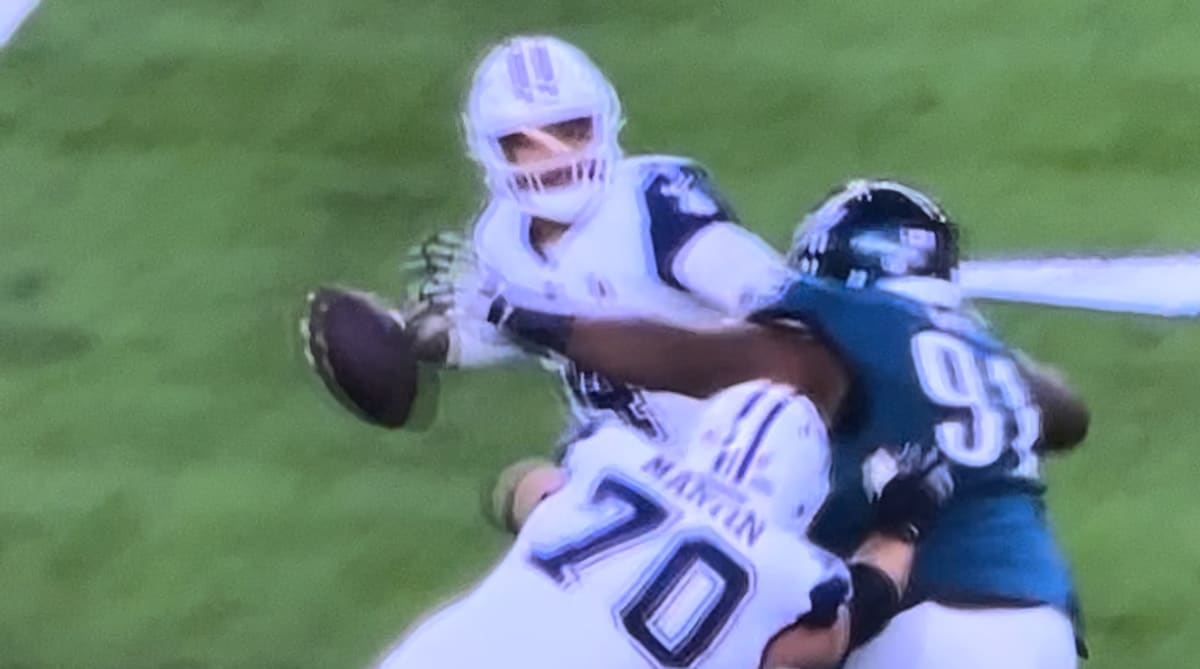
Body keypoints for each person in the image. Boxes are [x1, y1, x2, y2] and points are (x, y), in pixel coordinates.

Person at [481, 178, 1089, 668]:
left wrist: (531, 322)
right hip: (1042, 621)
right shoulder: (984, 354)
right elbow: (1067, 415)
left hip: (927, 618)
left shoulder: (854, 326)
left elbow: (691, 359)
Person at [371, 380, 950, 669]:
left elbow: (523, 486)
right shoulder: (789, 573)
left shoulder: (611, 459)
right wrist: (903, 525)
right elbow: (854, 615)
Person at [400, 34, 790, 448]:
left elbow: (784, 306)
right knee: (543, 478)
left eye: (571, 131)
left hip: (734, 455)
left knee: (541, 479)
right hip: (628, 460)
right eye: (525, 142)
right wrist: (441, 338)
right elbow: (523, 332)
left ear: (603, 124)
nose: (555, 154)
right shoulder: (500, 235)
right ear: (491, 149)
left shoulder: (652, 208)